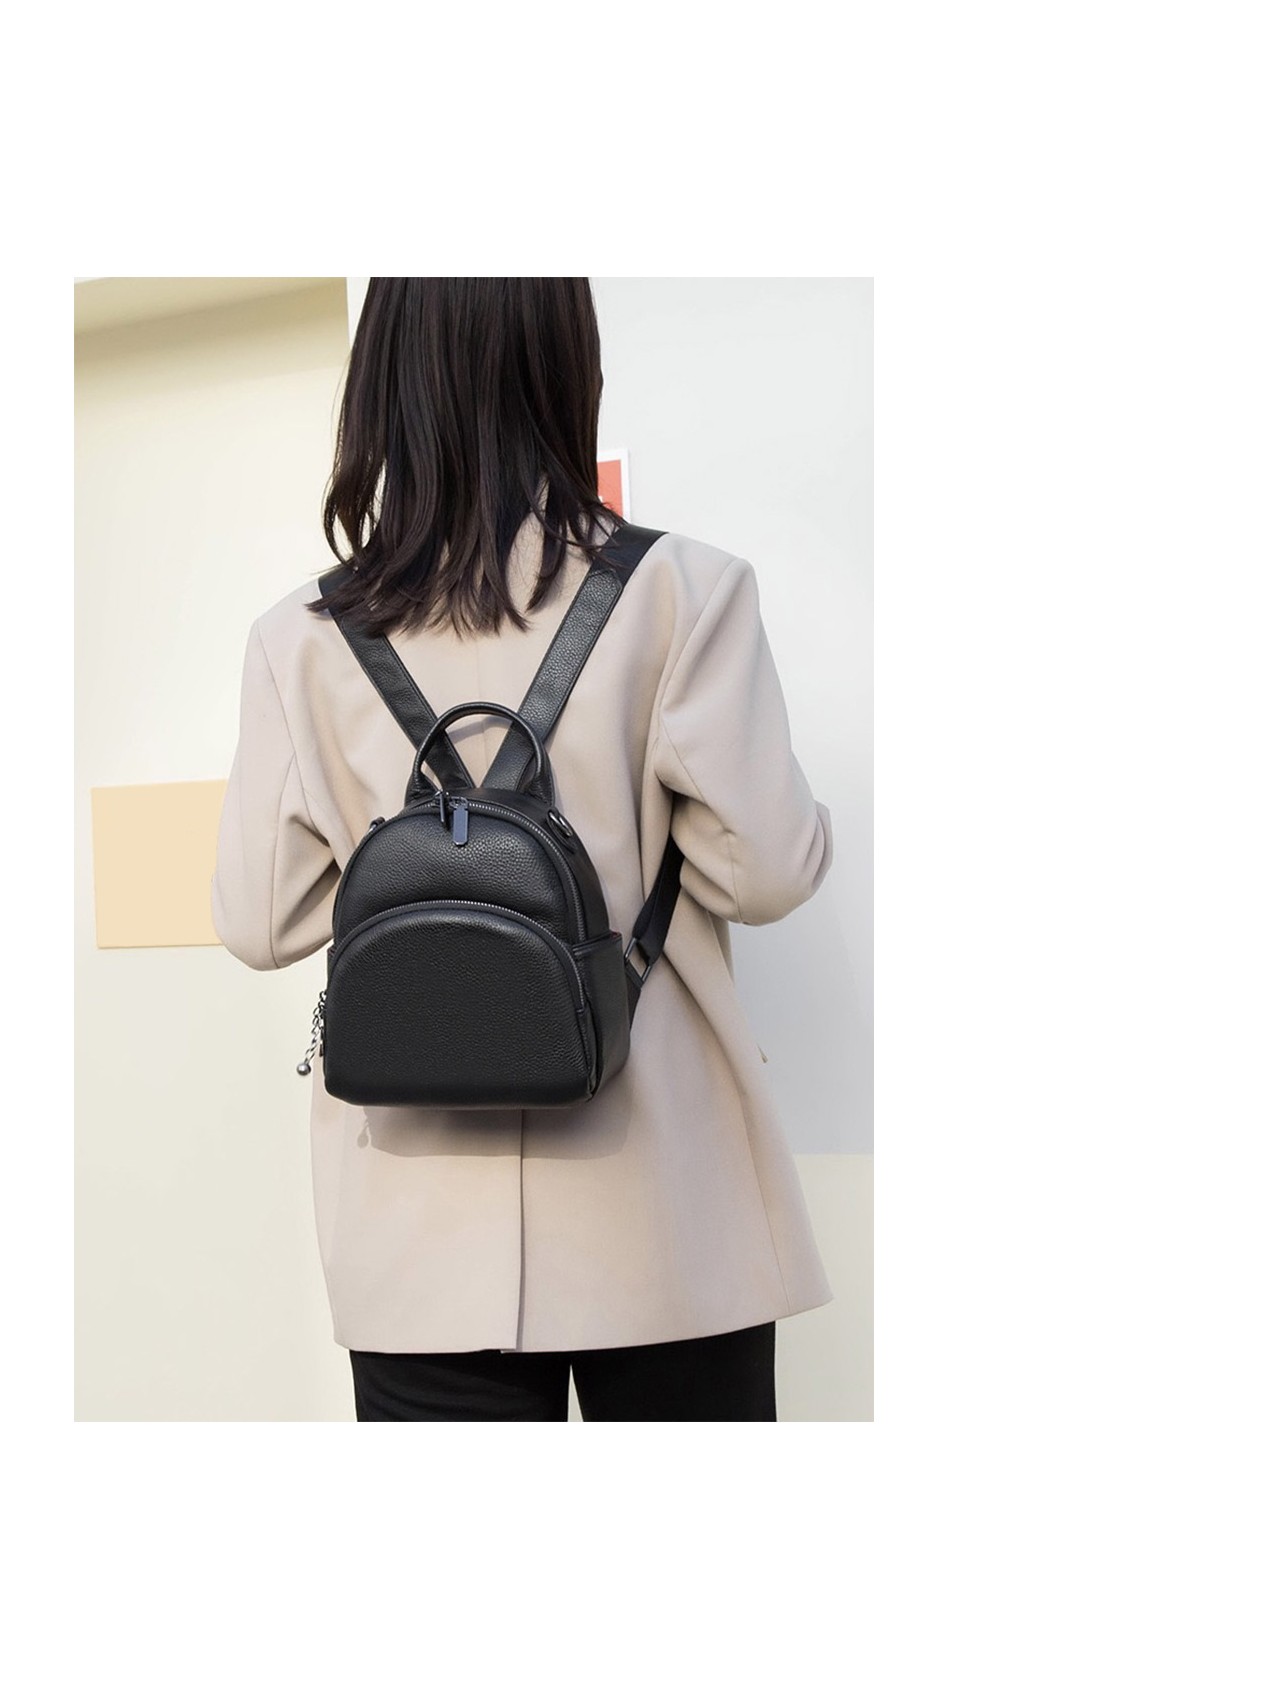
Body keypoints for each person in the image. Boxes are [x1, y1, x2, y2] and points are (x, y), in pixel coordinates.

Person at [211, 277, 834, 1422]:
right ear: (567, 364)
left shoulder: (299, 637)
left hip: (414, 1235)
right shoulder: (684, 590)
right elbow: (768, 872)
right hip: (662, 1215)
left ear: (381, 379)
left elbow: (260, 921)